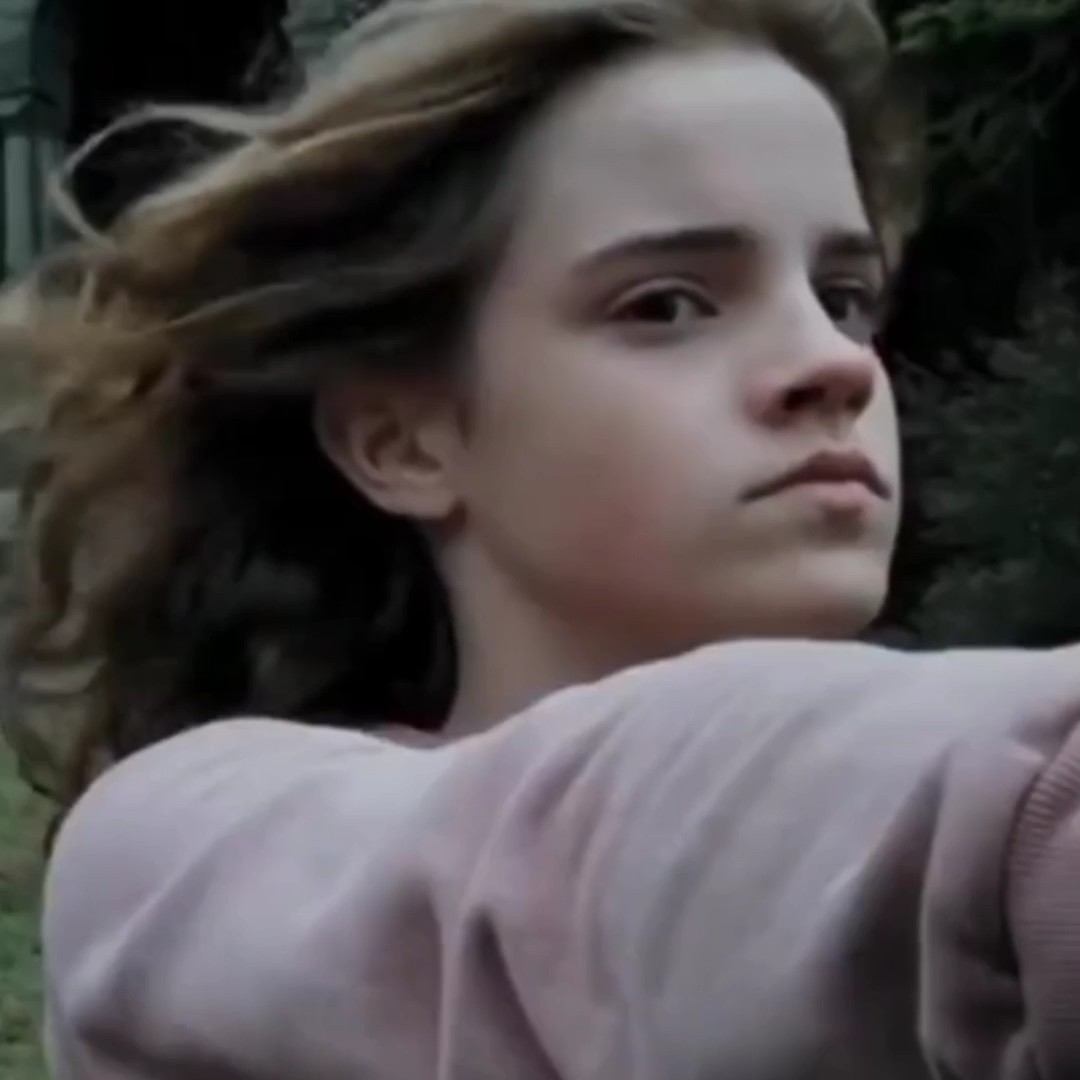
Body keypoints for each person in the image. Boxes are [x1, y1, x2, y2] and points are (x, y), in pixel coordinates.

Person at [7, 0, 1080, 1077]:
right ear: (400, 440)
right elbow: (550, 881)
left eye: (844, 297)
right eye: (665, 305)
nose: (836, 364)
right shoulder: (191, 858)